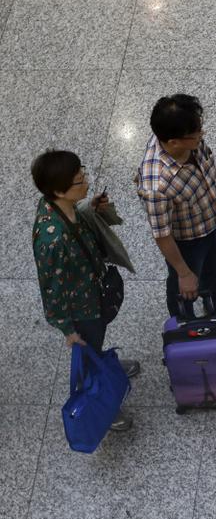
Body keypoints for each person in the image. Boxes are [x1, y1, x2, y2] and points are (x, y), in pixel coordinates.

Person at [31, 150, 140, 431]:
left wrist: (91, 207)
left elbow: (79, 223)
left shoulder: (60, 207)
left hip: (93, 291)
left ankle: (105, 364)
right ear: (59, 190)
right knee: (87, 352)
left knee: (96, 342)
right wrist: (67, 329)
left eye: (83, 174)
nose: (86, 182)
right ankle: (103, 407)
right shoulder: (51, 240)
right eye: (80, 181)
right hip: (82, 307)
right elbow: (51, 290)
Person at [135, 94, 216, 324]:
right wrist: (184, 272)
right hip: (187, 242)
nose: (202, 136)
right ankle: (183, 322)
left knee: (215, 269)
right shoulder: (156, 184)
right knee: (183, 288)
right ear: (173, 142)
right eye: (196, 135)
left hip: (212, 221)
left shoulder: (188, 138)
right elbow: (162, 234)